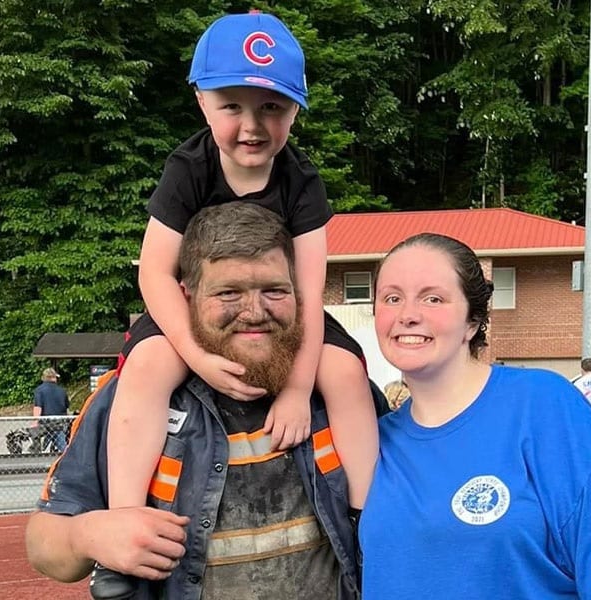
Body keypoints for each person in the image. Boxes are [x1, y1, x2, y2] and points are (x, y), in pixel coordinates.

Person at [101, 11, 378, 597]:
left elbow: (308, 290)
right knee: (147, 366)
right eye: (233, 106)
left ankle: (367, 521)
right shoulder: (188, 168)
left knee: (345, 371)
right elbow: (154, 272)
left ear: (295, 111)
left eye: (271, 107)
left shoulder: (301, 180)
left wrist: (298, 390)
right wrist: (195, 356)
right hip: (194, 307)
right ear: (202, 103)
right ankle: (126, 523)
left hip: (282, 310)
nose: (252, 126)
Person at [26, 203, 384, 600]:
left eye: (275, 290)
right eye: (228, 292)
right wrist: (87, 535)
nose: (254, 312)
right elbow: (44, 544)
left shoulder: (343, 395)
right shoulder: (130, 397)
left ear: (300, 293)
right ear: (187, 296)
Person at [359, 232, 591, 599]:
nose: (408, 315)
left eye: (433, 298)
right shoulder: (375, 440)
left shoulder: (543, 406)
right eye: (392, 298)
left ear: (472, 321)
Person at [32, 367, 70, 453]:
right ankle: (66, 453)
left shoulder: (39, 390)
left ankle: (37, 451)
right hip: (60, 422)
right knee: (60, 440)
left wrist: (35, 421)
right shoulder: (62, 391)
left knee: (36, 434)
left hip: (46, 422)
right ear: (53, 378)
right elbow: (66, 407)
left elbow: (38, 407)